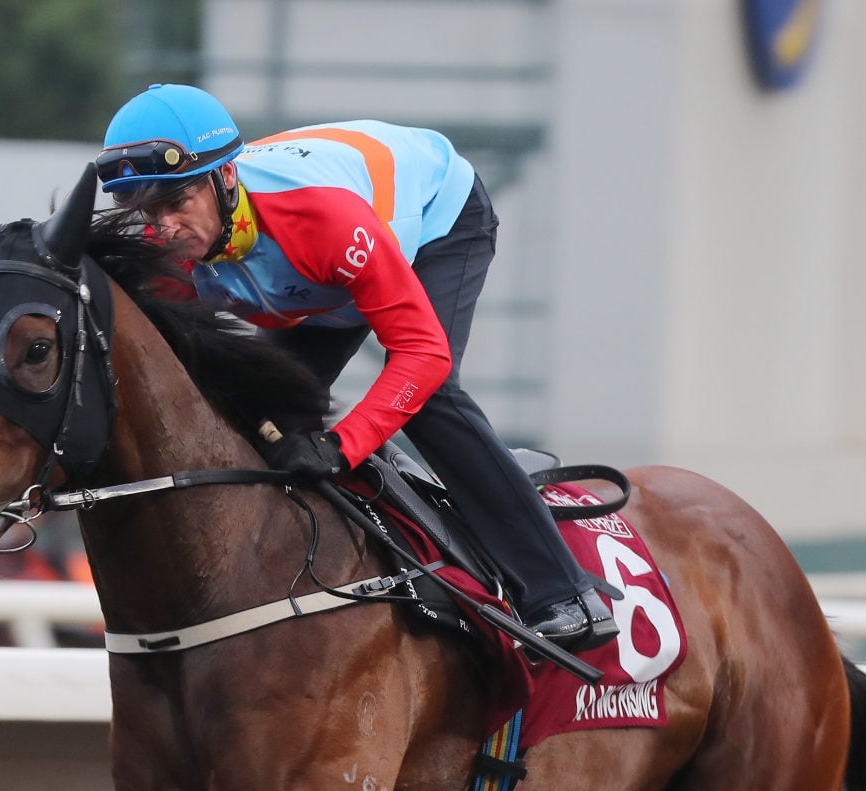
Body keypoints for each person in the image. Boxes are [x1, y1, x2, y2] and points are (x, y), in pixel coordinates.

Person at [93, 84, 615, 652]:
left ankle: (562, 592)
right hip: (313, 274)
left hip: (435, 218)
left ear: (225, 179)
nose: (162, 227)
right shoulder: (167, 251)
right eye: (146, 210)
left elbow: (424, 356)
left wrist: (343, 445)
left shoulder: (322, 219)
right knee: (255, 415)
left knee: (430, 399)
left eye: (177, 203)